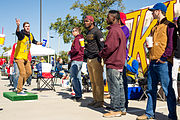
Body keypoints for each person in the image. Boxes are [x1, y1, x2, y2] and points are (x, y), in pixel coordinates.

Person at [137, 3, 177, 120]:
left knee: (167, 90)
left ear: (159, 11)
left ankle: (173, 116)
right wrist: (148, 46)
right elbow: (154, 44)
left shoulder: (170, 26)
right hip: (153, 61)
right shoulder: (154, 27)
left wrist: (164, 58)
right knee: (150, 89)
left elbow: (172, 44)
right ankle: (149, 114)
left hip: (164, 62)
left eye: (153, 11)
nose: (152, 13)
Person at [99, 10, 127, 117]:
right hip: (119, 62)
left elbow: (109, 47)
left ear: (114, 18)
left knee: (114, 87)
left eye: (108, 17)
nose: (106, 19)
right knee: (119, 86)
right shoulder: (119, 30)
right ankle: (122, 108)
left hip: (113, 62)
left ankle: (116, 110)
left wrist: (101, 54)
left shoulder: (114, 31)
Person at [15, 19, 42, 95]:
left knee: (29, 72)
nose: (27, 27)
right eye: (26, 26)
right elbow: (17, 32)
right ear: (23, 27)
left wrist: (40, 43)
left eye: (28, 26)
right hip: (19, 57)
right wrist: (18, 25)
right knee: (22, 73)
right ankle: (19, 90)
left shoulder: (30, 35)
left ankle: (19, 86)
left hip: (26, 57)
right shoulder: (21, 34)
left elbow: (34, 41)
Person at [84, 15, 104, 108]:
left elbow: (102, 46)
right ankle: (95, 99)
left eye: (87, 21)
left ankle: (100, 101)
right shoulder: (88, 32)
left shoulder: (97, 31)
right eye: (84, 21)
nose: (85, 23)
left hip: (96, 58)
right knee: (92, 81)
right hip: (89, 59)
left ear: (92, 21)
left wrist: (101, 57)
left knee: (98, 81)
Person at [68, 27, 84, 102]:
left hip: (76, 59)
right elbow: (82, 48)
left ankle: (78, 95)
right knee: (78, 77)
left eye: (73, 31)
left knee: (74, 77)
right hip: (80, 59)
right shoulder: (81, 38)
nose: (72, 32)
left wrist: (70, 52)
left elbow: (77, 49)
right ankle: (79, 94)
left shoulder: (77, 39)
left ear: (77, 31)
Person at [172, 16, 180, 102]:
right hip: (175, 57)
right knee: (174, 77)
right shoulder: (173, 32)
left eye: (176, 22)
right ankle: (175, 96)